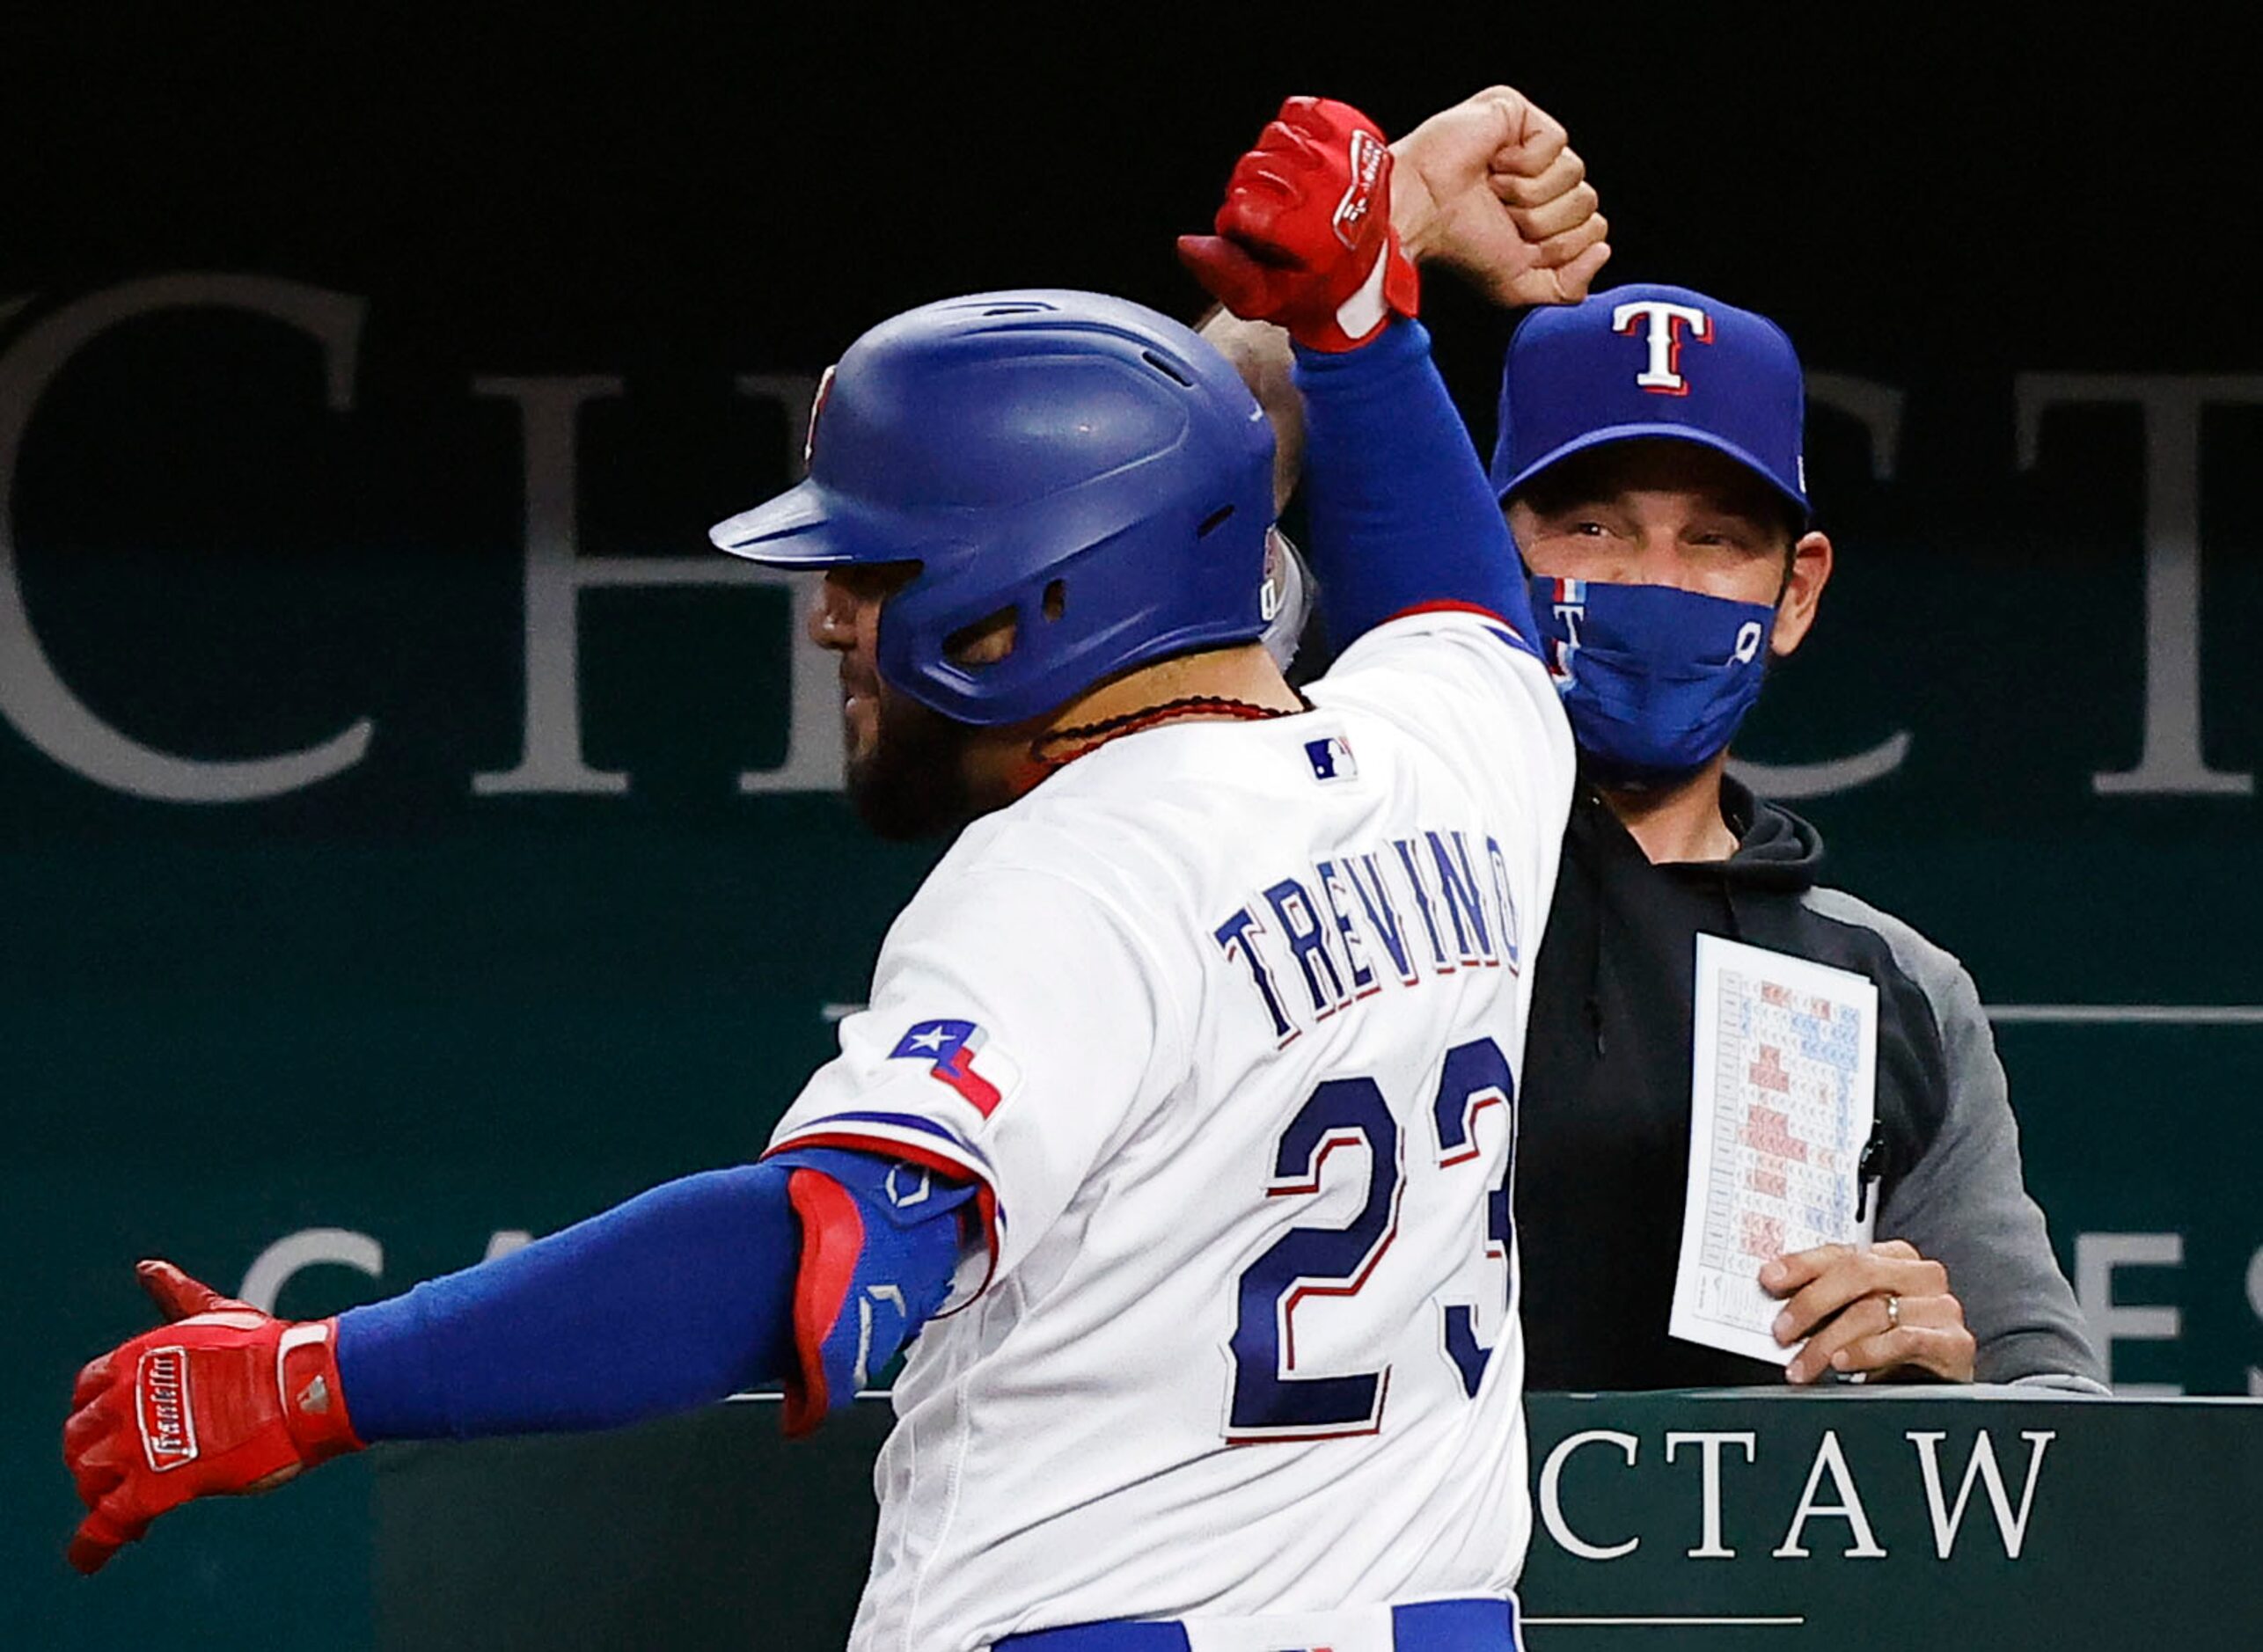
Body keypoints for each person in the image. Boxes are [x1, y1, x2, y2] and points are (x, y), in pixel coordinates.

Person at [63, 95, 1608, 1649]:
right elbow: (1454, 605)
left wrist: (317, 1376)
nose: (829, 623)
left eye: (873, 573)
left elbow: (815, 1255)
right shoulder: (1464, 766)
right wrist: (1359, 317)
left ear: (1033, 602)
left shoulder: (1073, 874)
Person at [1203, 96, 2103, 1393]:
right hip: (1328, 1580)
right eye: (1595, 527)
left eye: (1715, 540)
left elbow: (2060, 1432)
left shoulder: (1886, 983)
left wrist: (1934, 1385)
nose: (1654, 579)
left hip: (1711, 1598)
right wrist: (1367, 225)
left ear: (1795, 592)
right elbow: (1138, 519)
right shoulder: (1345, 842)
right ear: (1484, 551)